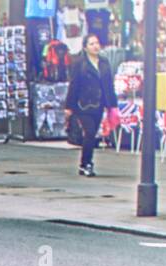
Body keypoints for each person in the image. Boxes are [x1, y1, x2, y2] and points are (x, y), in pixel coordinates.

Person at [64, 33, 117, 178]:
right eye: (92, 44)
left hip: (99, 103)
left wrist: (112, 104)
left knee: (93, 134)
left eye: (97, 43)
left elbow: (108, 85)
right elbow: (74, 85)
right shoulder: (80, 63)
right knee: (89, 132)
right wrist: (69, 106)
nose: (95, 46)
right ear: (85, 47)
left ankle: (85, 162)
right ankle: (86, 163)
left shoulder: (104, 62)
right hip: (83, 104)